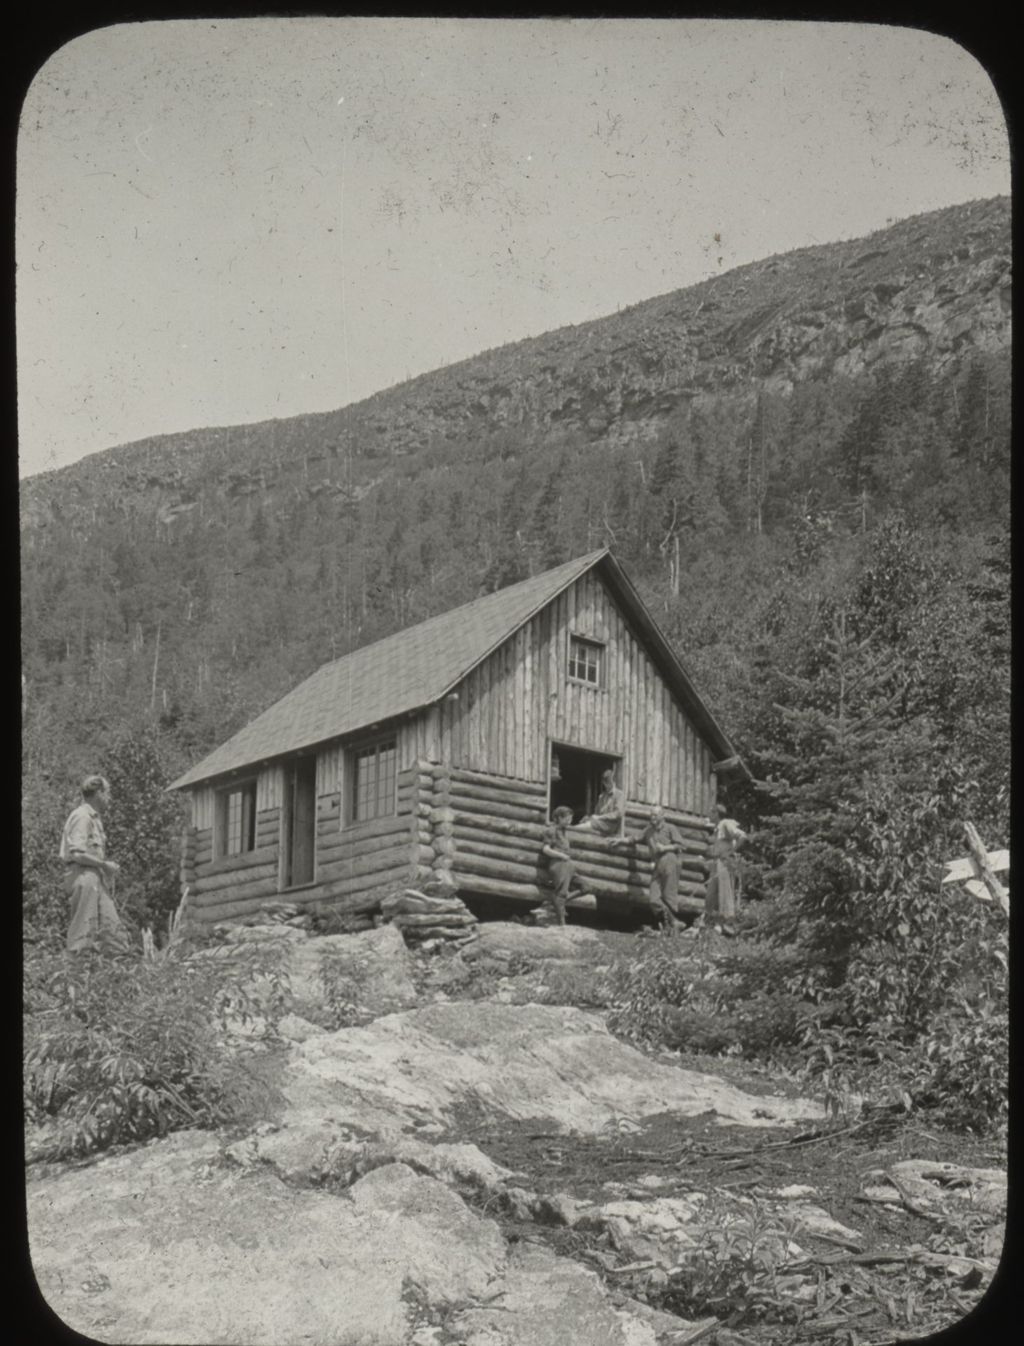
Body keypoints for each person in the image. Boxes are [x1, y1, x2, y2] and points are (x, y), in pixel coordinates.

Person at [60, 775, 128, 954]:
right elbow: (77, 853)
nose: (110, 798)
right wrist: (104, 864)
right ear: (98, 793)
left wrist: (102, 868)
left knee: (114, 935)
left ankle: (117, 976)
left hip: (96, 877)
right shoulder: (82, 816)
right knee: (82, 935)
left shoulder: (95, 819)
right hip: (83, 876)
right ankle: (74, 978)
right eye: (108, 793)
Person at [704, 803, 748, 934]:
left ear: (717, 813)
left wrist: (730, 852)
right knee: (712, 893)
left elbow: (742, 836)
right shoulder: (719, 827)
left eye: (711, 812)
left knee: (724, 892)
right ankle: (710, 922)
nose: (709, 815)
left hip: (725, 863)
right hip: (718, 862)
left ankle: (725, 924)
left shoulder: (725, 824)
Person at [643, 806, 686, 933]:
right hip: (657, 864)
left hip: (670, 861)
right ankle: (674, 922)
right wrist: (620, 840)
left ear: (662, 816)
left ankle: (668, 927)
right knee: (654, 899)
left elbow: (681, 845)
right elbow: (634, 838)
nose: (652, 817)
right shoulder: (648, 830)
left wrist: (665, 848)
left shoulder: (670, 828)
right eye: (651, 815)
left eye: (655, 815)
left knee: (668, 895)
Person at [538, 805, 577, 926]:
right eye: (567, 819)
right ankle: (562, 924)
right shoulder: (551, 830)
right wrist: (561, 856)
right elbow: (546, 849)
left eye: (571, 819)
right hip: (557, 864)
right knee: (562, 893)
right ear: (559, 818)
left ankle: (555, 902)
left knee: (587, 887)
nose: (569, 822)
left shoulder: (564, 831)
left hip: (567, 865)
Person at [574, 769, 625, 838]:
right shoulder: (602, 796)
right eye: (606, 783)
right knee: (584, 821)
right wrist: (589, 817)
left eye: (610, 782)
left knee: (588, 824)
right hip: (600, 823)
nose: (608, 785)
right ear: (603, 783)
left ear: (613, 782)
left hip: (610, 825)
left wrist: (599, 817)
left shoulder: (619, 795)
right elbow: (597, 813)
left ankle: (571, 830)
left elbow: (617, 814)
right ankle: (572, 830)